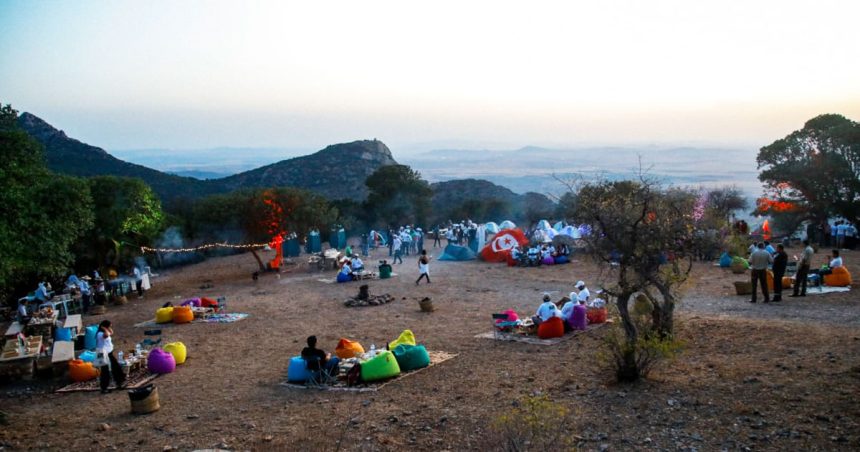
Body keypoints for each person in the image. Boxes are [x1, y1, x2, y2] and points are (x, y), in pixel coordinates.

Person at [96, 320, 126, 393]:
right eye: (109, 326)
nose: (110, 328)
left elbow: (111, 332)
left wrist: (107, 328)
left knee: (115, 367)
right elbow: (106, 335)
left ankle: (119, 383)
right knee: (105, 371)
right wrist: (104, 328)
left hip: (108, 353)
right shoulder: (100, 334)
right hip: (102, 353)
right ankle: (104, 388)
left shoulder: (105, 331)